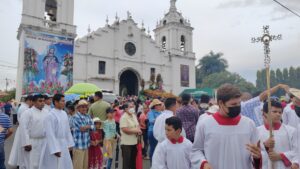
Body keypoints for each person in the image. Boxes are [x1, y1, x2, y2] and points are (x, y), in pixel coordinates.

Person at [191, 84, 262, 169]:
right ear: (221, 103)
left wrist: (257, 157)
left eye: (239, 103)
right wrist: (203, 164)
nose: (237, 107)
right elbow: (196, 150)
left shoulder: (249, 124)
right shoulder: (205, 124)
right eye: (233, 104)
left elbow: (256, 153)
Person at [258, 100, 299, 169]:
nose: (278, 114)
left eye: (280, 112)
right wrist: (266, 147)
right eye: (274, 112)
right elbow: (254, 155)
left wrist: (281, 156)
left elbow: (297, 151)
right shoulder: (257, 131)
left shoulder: (291, 131)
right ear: (265, 113)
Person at [39, 94, 74, 169]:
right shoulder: (50, 115)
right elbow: (50, 133)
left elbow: (67, 130)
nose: (64, 103)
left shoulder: (64, 113)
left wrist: (70, 143)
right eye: (62, 101)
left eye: (65, 101)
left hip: (63, 143)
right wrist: (55, 149)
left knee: (64, 164)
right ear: (56, 102)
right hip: (53, 145)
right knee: (53, 165)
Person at [19, 94, 49, 169]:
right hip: (31, 142)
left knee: (42, 163)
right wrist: (26, 143)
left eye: (43, 101)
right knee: (31, 164)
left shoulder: (47, 112)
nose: (42, 103)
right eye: (40, 101)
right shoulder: (27, 113)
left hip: (44, 141)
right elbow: (23, 128)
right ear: (34, 102)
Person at [8, 95, 33, 167]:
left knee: (19, 147)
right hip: (22, 129)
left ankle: (20, 162)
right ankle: (20, 163)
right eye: (32, 102)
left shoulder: (23, 107)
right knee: (21, 147)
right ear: (29, 101)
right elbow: (24, 121)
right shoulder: (24, 108)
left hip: (21, 128)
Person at [72, 100, 94, 169]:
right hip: (78, 146)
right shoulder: (76, 117)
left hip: (86, 145)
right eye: (82, 107)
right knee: (78, 166)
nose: (84, 108)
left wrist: (87, 127)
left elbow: (93, 128)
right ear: (78, 108)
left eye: (85, 107)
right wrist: (89, 126)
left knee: (85, 166)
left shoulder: (88, 116)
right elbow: (81, 128)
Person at [120, 102, 142, 169]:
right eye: (130, 107)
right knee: (127, 163)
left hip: (134, 142)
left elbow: (138, 125)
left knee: (133, 162)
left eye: (133, 106)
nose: (132, 108)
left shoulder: (133, 115)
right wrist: (136, 130)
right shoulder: (124, 117)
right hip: (126, 143)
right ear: (126, 109)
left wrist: (138, 130)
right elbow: (125, 129)